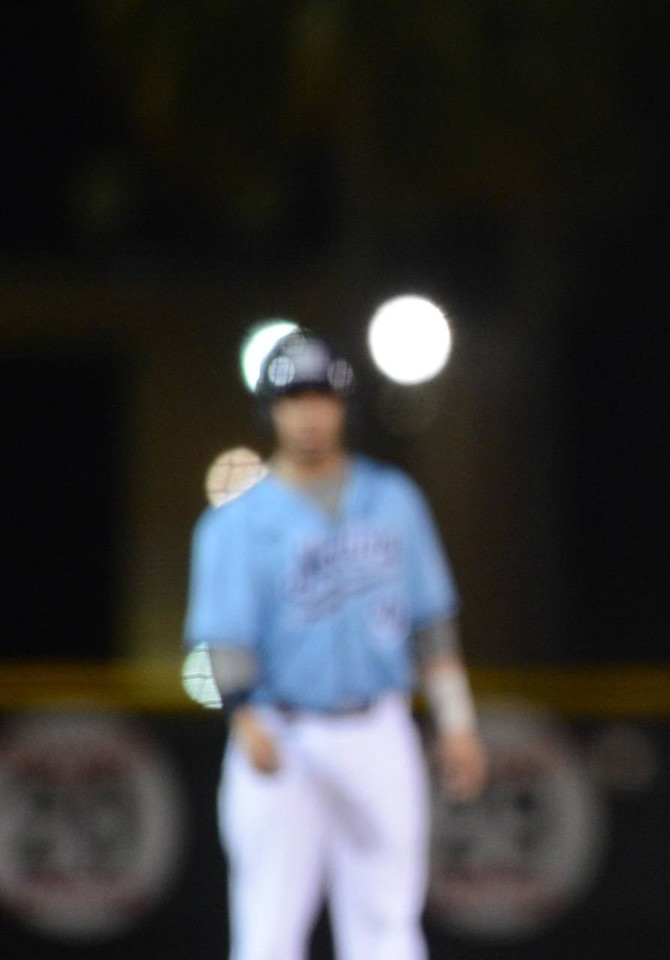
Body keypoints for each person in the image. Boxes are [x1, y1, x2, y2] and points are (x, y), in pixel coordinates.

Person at [184, 329, 487, 960]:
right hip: (281, 728)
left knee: (388, 921)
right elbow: (226, 636)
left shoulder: (393, 499)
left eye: (320, 395)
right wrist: (243, 717)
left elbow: (430, 625)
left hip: (378, 727)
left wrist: (457, 722)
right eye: (293, 397)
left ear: (342, 404)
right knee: (267, 930)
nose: (308, 412)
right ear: (272, 409)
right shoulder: (236, 521)